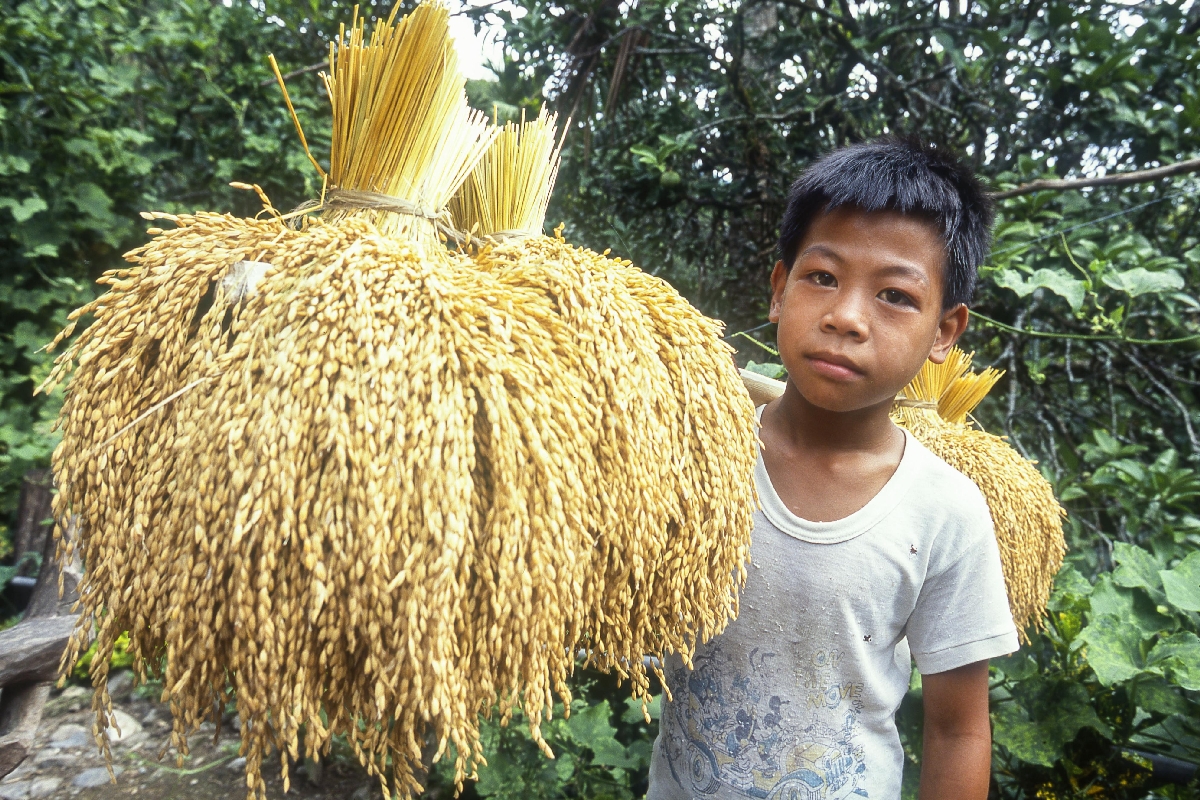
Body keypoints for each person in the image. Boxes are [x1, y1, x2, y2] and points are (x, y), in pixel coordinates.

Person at [646, 137, 1018, 800]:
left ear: (945, 332)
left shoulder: (945, 512)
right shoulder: (697, 458)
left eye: (896, 297)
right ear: (779, 291)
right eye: (822, 278)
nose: (845, 317)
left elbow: (959, 731)